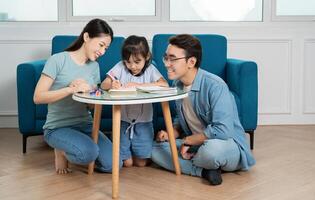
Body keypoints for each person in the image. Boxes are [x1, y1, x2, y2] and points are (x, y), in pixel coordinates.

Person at [151, 34, 256, 185]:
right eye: (166, 58)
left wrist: (188, 141)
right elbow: (181, 120)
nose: (167, 64)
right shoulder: (177, 85)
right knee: (154, 149)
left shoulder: (215, 86)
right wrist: (171, 133)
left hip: (224, 144)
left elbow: (223, 131)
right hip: (196, 144)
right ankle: (205, 170)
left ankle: (200, 161)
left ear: (191, 62)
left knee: (210, 152)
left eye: (172, 59)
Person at [33, 18, 119, 174]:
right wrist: (70, 89)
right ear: (86, 37)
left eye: (106, 48)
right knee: (89, 153)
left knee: (114, 164)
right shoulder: (58, 60)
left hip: (85, 125)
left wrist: (95, 94)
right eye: (101, 45)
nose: (103, 52)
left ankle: (78, 150)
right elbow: (38, 97)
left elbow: (92, 106)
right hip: (57, 127)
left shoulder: (94, 67)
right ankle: (61, 151)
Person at [101, 35, 168, 167]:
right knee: (127, 163)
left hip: (144, 122)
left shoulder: (150, 70)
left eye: (137, 62)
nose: (132, 66)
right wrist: (111, 84)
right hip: (123, 122)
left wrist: (137, 85)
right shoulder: (120, 67)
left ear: (147, 57)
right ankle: (112, 141)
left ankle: (143, 146)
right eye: (128, 62)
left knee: (141, 163)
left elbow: (164, 84)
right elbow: (104, 84)